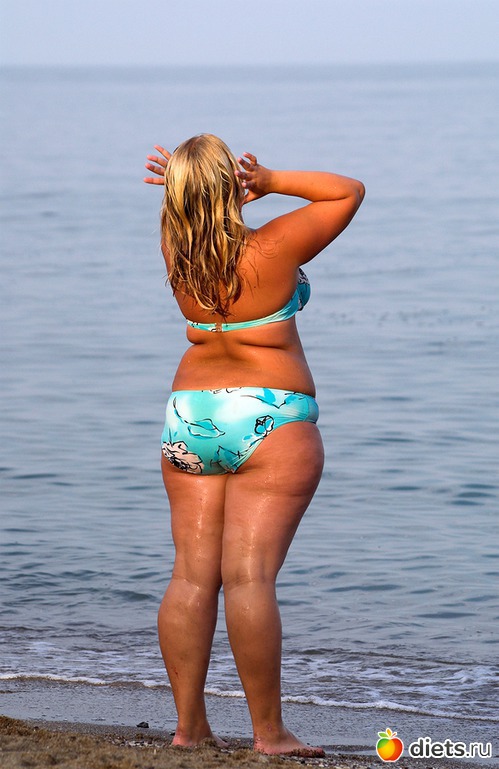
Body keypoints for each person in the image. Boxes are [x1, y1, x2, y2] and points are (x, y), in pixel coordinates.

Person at [143, 134, 364, 756]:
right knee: (249, 578)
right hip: (271, 414)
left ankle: (189, 729)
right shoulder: (275, 245)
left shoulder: (176, 247)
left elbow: (191, 214)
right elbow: (347, 191)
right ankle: (270, 734)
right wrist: (268, 180)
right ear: (231, 187)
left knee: (191, 576)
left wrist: (187, 186)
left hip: (191, 415)